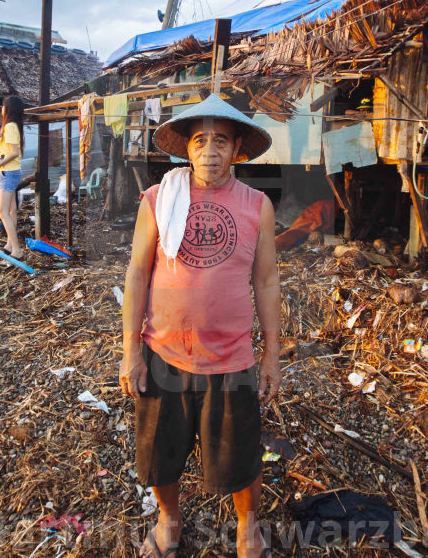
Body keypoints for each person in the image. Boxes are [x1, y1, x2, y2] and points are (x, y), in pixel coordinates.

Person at [119, 95, 281, 558]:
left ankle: (248, 528)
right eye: (199, 140)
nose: (210, 151)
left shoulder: (257, 206)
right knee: (160, 453)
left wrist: (271, 355)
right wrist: (131, 351)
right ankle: (169, 519)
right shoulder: (158, 199)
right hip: (164, 352)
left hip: (231, 358)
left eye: (221, 141)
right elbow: (136, 273)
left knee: (240, 454)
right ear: (186, 149)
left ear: (237, 149)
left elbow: (267, 283)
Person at [0, 95, 24, 258]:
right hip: (11, 170)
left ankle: (16, 250)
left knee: (2, 212)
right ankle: (10, 244)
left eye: (2, 106)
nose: (1, 109)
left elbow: (14, 152)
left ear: (8, 109)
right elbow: (8, 151)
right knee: (11, 210)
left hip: (8, 172)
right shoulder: (13, 126)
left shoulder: (9, 126)